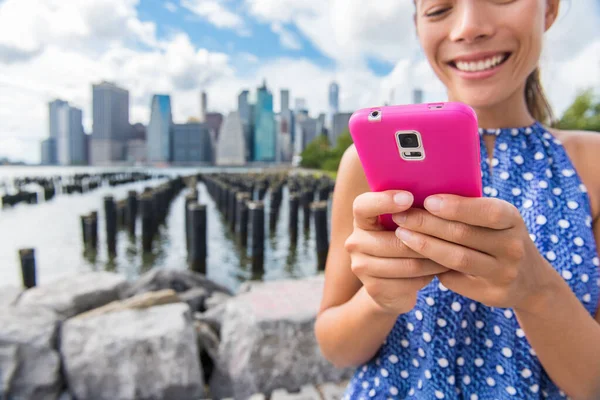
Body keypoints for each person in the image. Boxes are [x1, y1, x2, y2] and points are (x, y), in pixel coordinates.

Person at [314, 0, 600, 399]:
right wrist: (379, 299)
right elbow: (335, 347)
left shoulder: (594, 164)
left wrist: (537, 292)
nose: (469, 27)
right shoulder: (364, 163)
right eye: (438, 9)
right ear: (418, 27)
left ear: (549, 10)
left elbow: (592, 385)